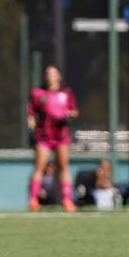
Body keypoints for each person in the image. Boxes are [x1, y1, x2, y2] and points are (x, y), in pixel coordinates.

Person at [27, 64, 79, 212]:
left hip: (61, 136)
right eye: (47, 73)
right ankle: (33, 199)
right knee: (40, 166)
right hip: (44, 136)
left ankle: (67, 200)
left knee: (63, 166)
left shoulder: (66, 93)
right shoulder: (38, 93)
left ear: (59, 77)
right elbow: (31, 113)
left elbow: (74, 111)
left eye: (53, 73)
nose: (50, 76)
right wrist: (31, 128)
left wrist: (69, 116)